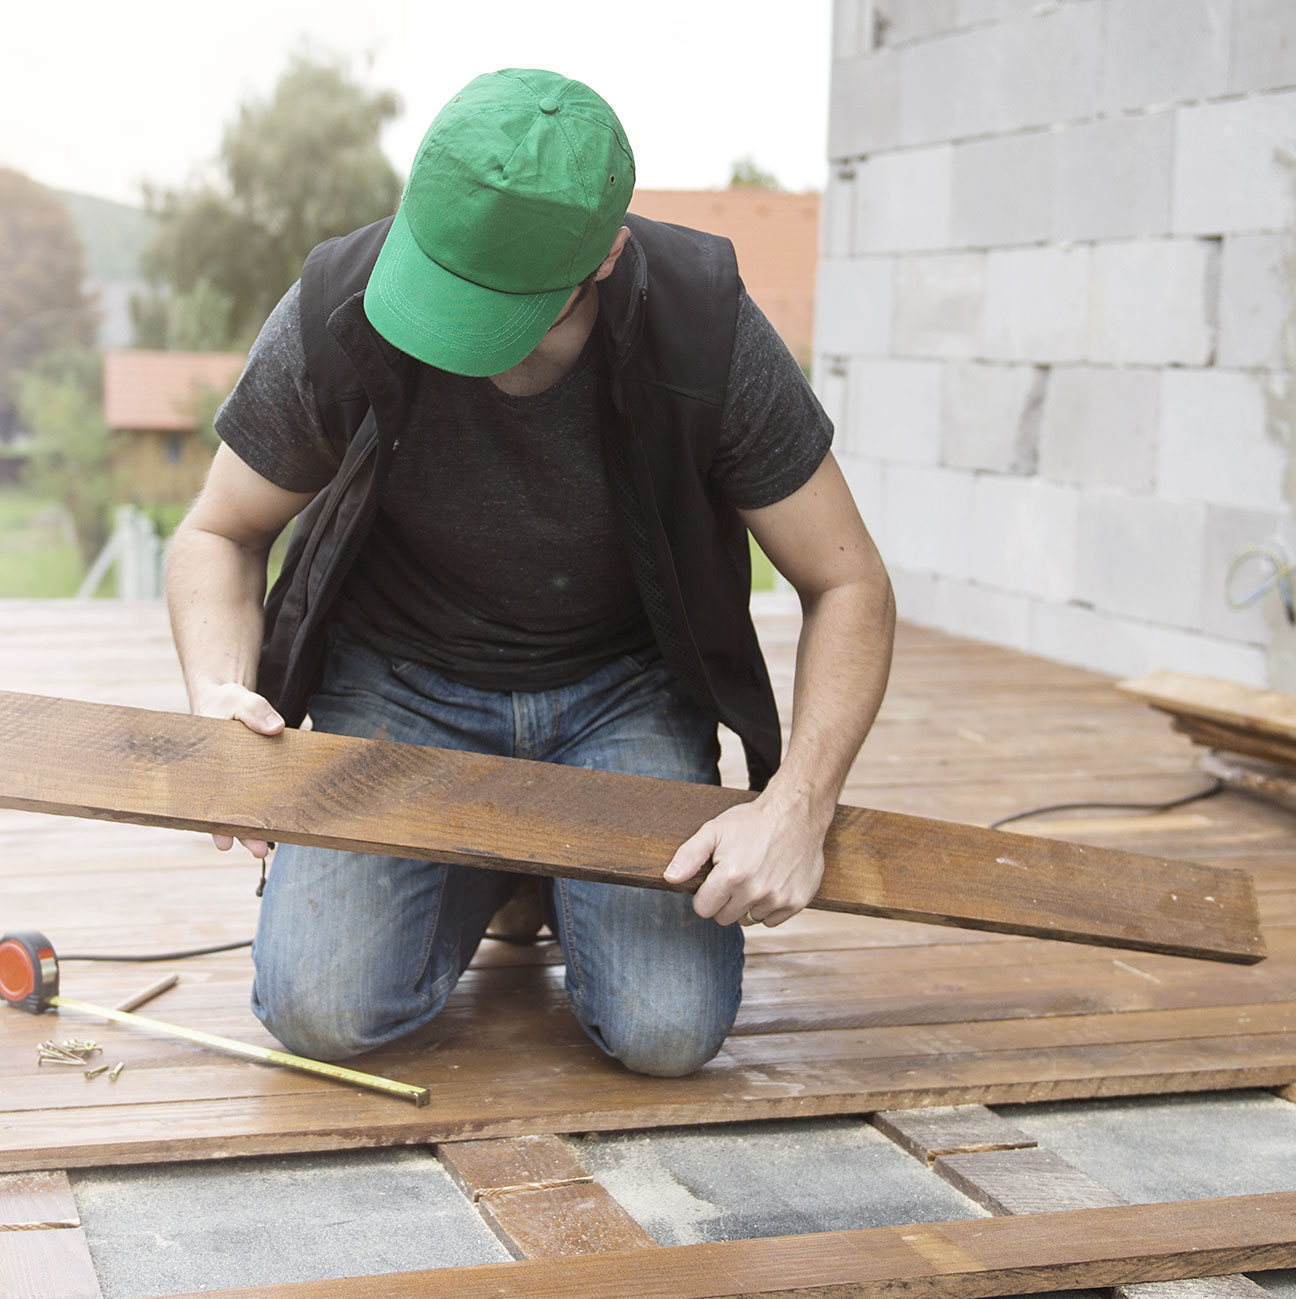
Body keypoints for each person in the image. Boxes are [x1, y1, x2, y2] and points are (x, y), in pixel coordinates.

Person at [165, 68, 893, 1077]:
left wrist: (799, 807)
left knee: (667, 1030)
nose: (449, 339)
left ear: (604, 255)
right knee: (318, 1011)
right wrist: (217, 694)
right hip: (398, 678)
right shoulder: (342, 297)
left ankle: (524, 865)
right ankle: (510, 869)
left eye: (492, 307)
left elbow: (850, 584)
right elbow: (217, 531)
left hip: (620, 687)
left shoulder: (704, 327)